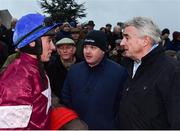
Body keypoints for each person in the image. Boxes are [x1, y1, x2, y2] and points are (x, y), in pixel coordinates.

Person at [118, 16, 180, 129]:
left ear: (145, 41)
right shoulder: (127, 66)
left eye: (127, 38)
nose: (122, 43)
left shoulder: (172, 71)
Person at [0, 13, 59, 129]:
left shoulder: (37, 68)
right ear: (32, 42)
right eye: (49, 40)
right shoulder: (18, 80)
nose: (53, 47)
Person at [61, 30, 127, 129]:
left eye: (93, 47)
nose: (87, 51)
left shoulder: (119, 73)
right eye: (85, 47)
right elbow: (66, 99)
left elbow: (122, 107)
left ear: (103, 50)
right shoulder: (74, 70)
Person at [46, 37, 81, 104]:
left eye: (68, 48)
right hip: (60, 104)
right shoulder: (52, 67)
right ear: (58, 51)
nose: (65, 51)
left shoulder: (83, 64)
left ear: (74, 50)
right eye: (62, 48)